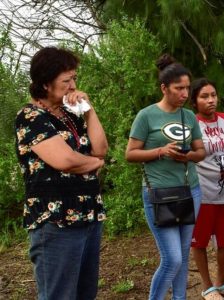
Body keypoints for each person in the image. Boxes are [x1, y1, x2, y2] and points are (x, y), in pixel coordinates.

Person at [14, 46, 108, 300]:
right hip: (55, 221)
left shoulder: (71, 115)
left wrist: (88, 109)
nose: (73, 85)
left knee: (85, 293)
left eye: (74, 78)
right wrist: (94, 163)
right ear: (45, 83)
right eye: (66, 80)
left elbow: (101, 148)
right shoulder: (30, 116)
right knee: (60, 295)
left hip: (88, 216)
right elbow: (65, 160)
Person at [125, 54, 206, 300]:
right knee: (172, 259)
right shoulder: (146, 116)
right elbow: (130, 154)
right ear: (164, 88)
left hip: (190, 191)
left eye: (187, 88)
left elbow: (201, 152)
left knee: (182, 256)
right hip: (159, 194)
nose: (184, 93)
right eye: (178, 88)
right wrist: (161, 151)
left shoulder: (189, 116)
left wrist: (188, 156)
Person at [189, 78, 224, 300]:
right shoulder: (192, 124)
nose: (211, 100)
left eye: (213, 95)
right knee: (199, 241)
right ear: (194, 101)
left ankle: (220, 283)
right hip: (203, 193)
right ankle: (207, 287)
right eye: (204, 96)